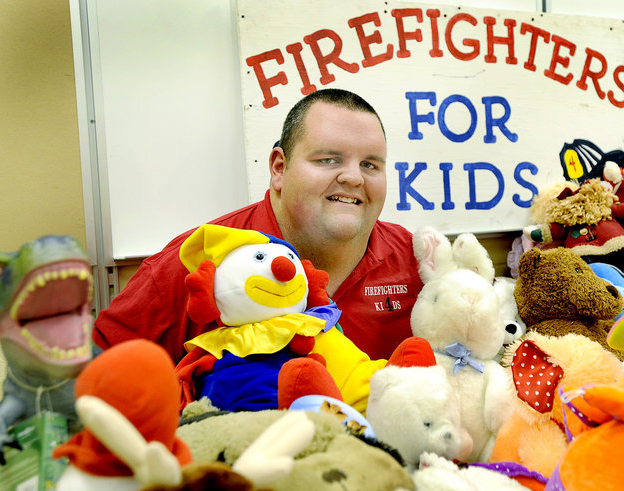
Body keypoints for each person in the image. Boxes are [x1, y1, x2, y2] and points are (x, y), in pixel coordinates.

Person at [93, 88, 424, 363]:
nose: (353, 177)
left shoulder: (419, 264)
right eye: (328, 160)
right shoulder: (195, 262)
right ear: (279, 168)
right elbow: (97, 379)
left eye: (370, 164)